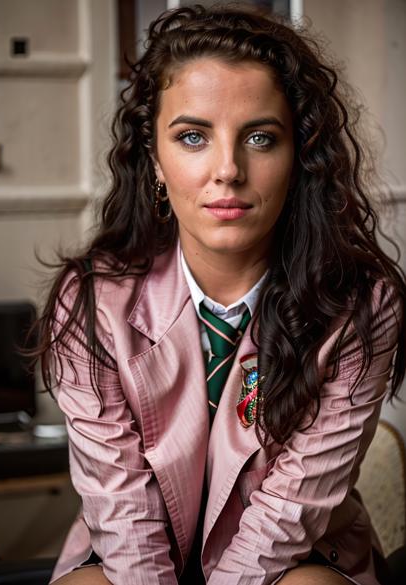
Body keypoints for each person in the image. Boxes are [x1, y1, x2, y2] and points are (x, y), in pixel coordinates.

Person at [32, 4, 405, 585]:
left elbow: (288, 516)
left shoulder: (362, 305)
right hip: (130, 566)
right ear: (155, 159)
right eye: (192, 137)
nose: (228, 169)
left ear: (299, 158)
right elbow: (122, 512)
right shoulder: (91, 302)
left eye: (260, 137)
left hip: (290, 563)